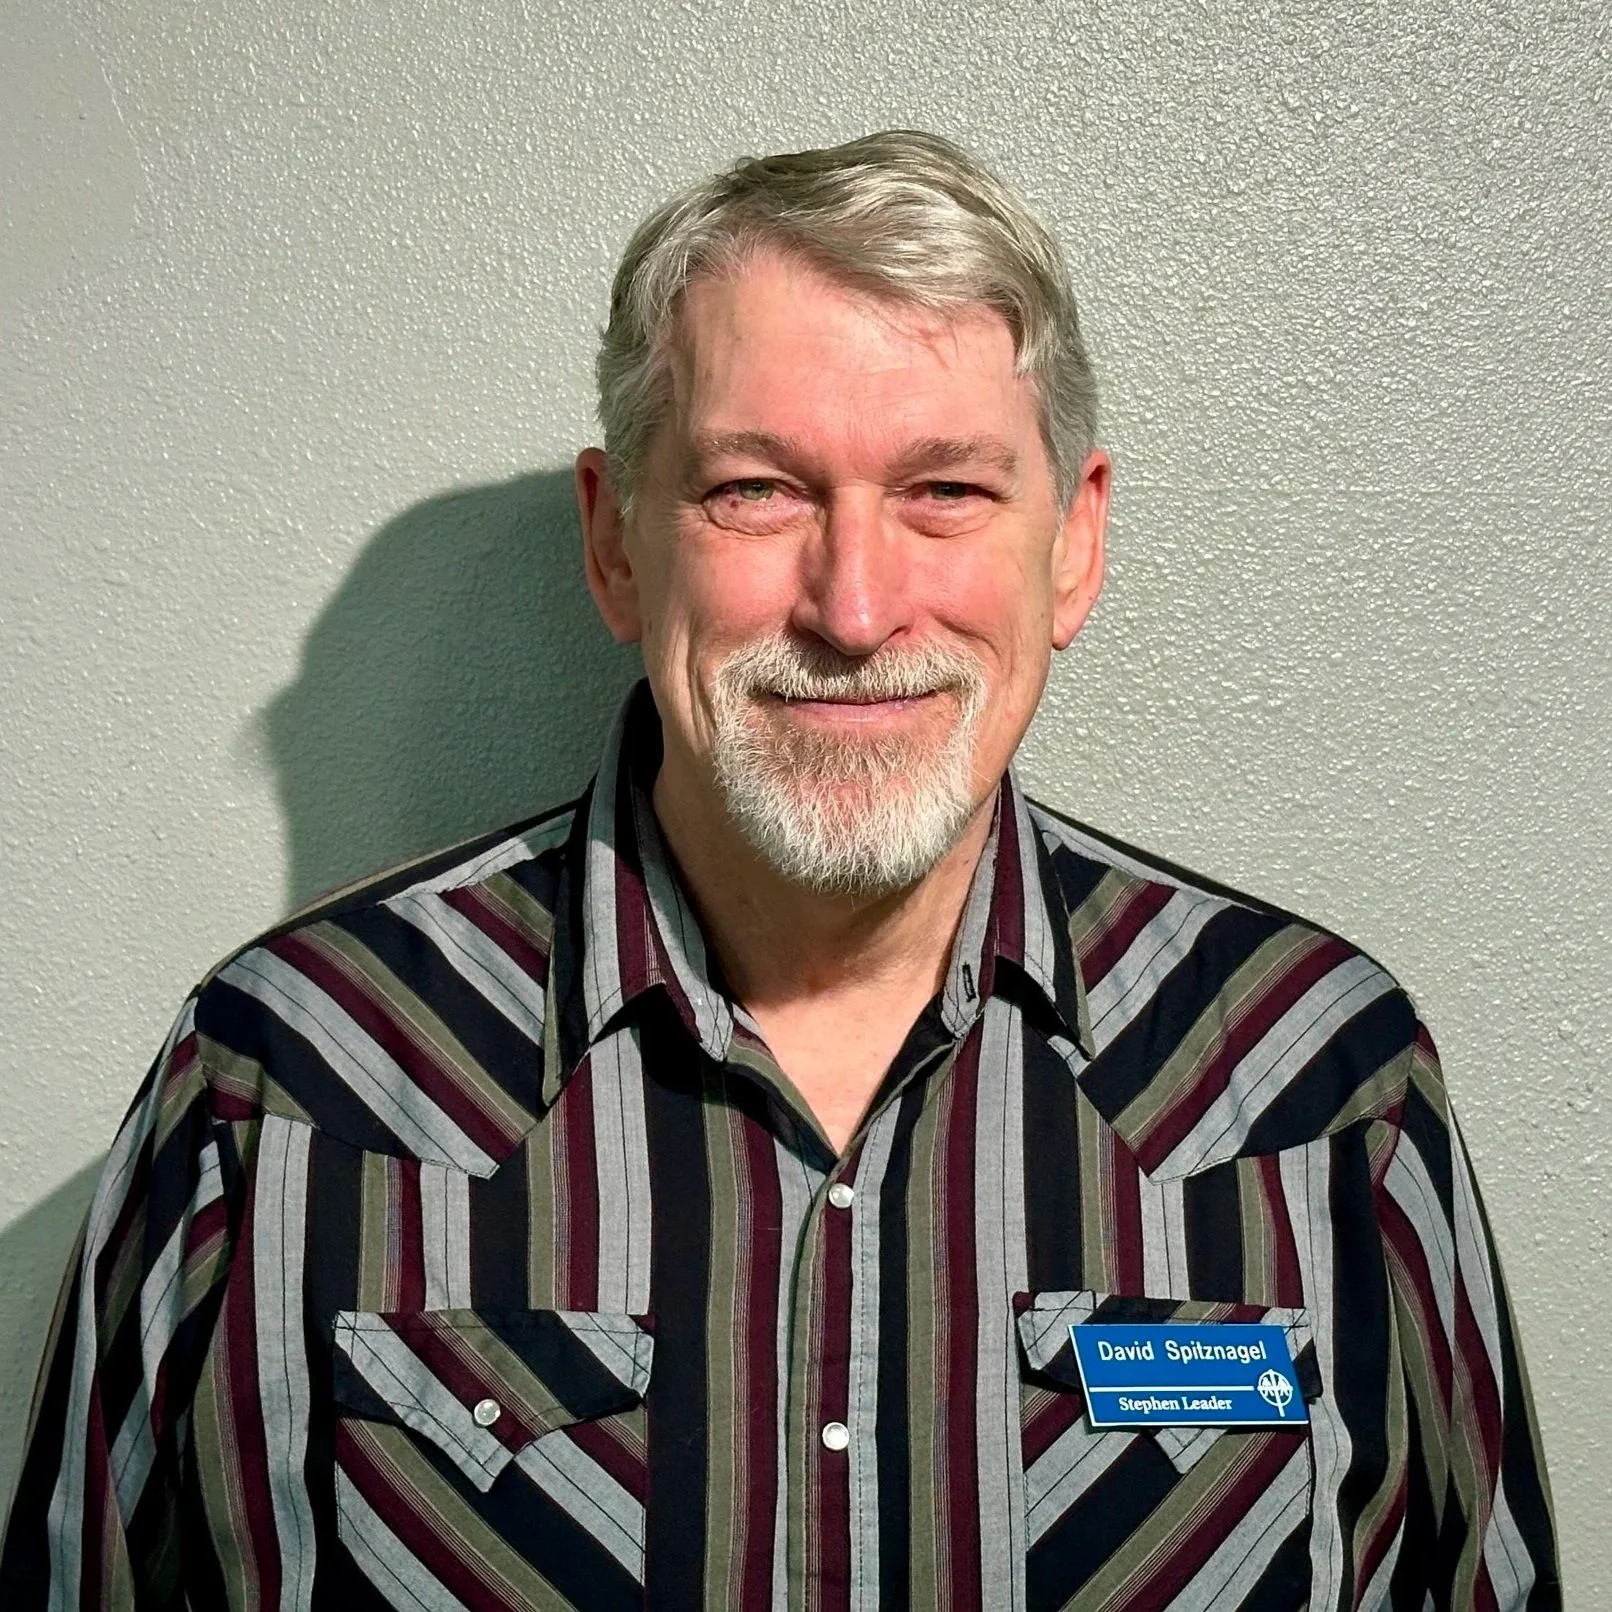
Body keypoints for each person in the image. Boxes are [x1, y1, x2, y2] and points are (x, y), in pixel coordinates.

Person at [0, 130, 1559, 1611]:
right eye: (757, 489)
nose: (857, 604)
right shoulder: (280, 1093)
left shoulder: (1319, 1090)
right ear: (616, 546)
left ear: (1072, 547)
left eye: (946, 490)